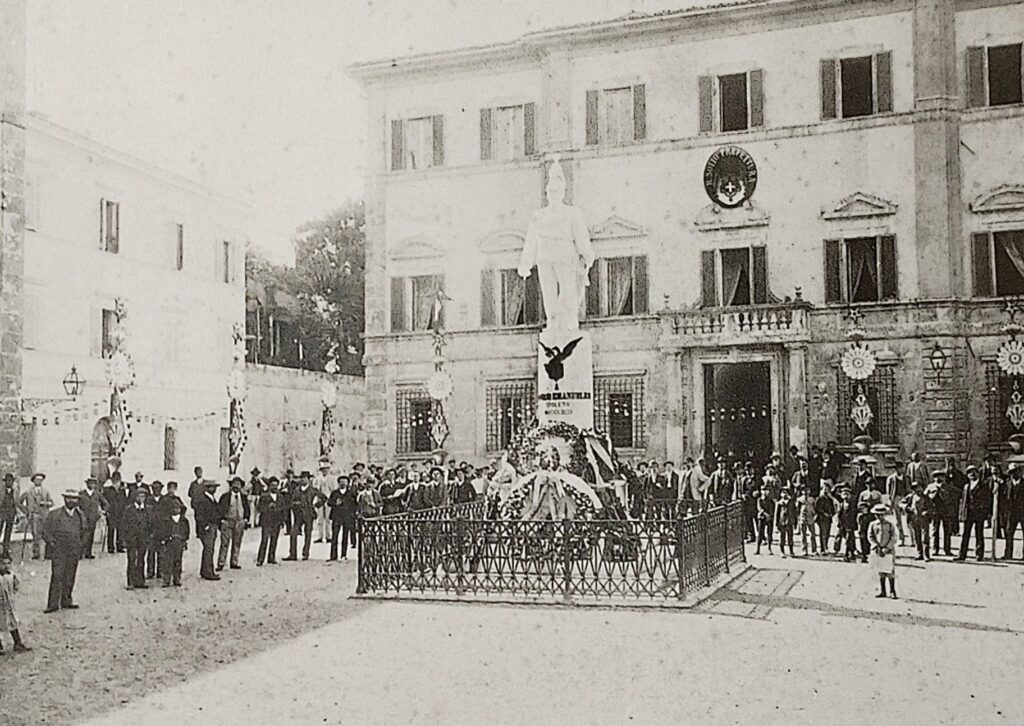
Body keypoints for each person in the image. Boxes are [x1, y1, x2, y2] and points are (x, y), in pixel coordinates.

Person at [42, 491, 85, 613]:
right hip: (59, 551)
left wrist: (81, 545)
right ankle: (53, 604)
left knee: (70, 575)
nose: (72, 501)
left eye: (74, 499)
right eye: (69, 498)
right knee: (57, 576)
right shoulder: (55, 514)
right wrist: (51, 542)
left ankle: (66, 600)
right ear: (64, 499)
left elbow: (85, 531)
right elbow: (45, 531)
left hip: (74, 550)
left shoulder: (80, 515)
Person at [956, 465, 992, 562]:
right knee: (965, 534)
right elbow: (963, 501)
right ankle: (962, 555)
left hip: (979, 513)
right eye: (969, 472)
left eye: (974, 472)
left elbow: (987, 500)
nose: (972, 474)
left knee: (979, 534)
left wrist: (984, 511)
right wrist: (962, 514)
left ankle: (979, 554)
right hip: (968, 514)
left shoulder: (983, 486)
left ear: (978, 473)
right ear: (967, 475)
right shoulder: (966, 486)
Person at [285, 474, 323, 561]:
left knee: (308, 534)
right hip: (298, 515)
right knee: (293, 533)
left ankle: (305, 553)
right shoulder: (296, 490)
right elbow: (291, 501)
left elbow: (324, 498)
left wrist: (316, 505)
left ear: (308, 480)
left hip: (309, 515)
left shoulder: (313, 490)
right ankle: (292, 554)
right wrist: (295, 504)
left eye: (304, 478)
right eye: (301, 478)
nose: (302, 480)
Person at [217, 477, 250, 571]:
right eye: (234, 484)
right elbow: (220, 509)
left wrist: (246, 520)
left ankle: (234, 562)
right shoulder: (225, 496)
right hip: (227, 521)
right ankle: (221, 563)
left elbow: (247, 509)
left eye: (238, 484)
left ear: (241, 486)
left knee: (237, 542)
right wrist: (222, 520)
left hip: (239, 522)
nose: (236, 486)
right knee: (224, 543)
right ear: (231, 485)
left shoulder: (243, 497)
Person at [154, 501, 189, 587]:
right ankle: (166, 580)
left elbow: (186, 531)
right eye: (174, 508)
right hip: (169, 542)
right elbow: (163, 531)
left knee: (178, 561)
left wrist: (184, 540)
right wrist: (164, 539)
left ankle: (177, 579)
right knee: (167, 562)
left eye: (178, 508)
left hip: (179, 542)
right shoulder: (166, 520)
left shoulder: (184, 520)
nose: (176, 510)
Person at [0, 555, 30, 653]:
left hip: (9, 604)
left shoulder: (11, 575)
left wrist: (12, 594)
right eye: (3, 564)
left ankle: (17, 643)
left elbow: (16, 586)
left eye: (8, 563)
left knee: (12, 621)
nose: (6, 566)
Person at [193, 480, 222, 581]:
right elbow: (199, 515)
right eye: (212, 487)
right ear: (207, 488)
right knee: (209, 549)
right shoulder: (203, 500)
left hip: (212, 526)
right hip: (207, 528)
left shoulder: (212, 498)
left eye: (215, 487)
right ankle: (208, 572)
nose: (214, 489)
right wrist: (204, 526)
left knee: (209, 549)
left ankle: (205, 570)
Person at [122, 488, 150, 589]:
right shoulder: (129, 510)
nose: (141, 498)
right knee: (131, 559)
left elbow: (150, 524)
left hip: (143, 538)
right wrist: (124, 540)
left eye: (143, 496)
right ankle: (130, 582)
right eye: (139, 496)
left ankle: (140, 581)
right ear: (135, 497)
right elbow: (124, 525)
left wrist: (149, 537)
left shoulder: (148, 509)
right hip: (132, 538)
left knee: (141, 559)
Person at [20, 474, 53, 560]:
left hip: (44, 515)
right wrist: (26, 510)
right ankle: (36, 553)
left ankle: (48, 554)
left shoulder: (46, 491)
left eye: (41, 480)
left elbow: (51, 502)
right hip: (34, 515)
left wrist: (46, 503)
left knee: (46, 533)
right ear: (33, 481)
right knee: (35, 535)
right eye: (37, 480)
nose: (39, 482)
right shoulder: (28, 491)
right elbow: (19, 502)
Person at [868, 503, 897, 598]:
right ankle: (883, 591)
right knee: (881, 571)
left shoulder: (889, 525)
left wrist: (887, 547)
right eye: (877, 515)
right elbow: (870, 536)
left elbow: (893, 537)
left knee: (890, 571)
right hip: (878, 550)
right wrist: (876, 546)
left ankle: (892, 590)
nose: (879, 517)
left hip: (887, 550)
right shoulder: (872, 524)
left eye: (881, 515)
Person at [256, 477, 286, 566]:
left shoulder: (280, 496)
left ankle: (271, 557)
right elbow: (259, 508)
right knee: (264, 540)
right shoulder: (264, 496)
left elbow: (283, 509)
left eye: (276, 485)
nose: (275, 487)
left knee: (274, 540)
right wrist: (267, 507)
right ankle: (260, 559)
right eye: (273, 485)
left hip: (276, 521)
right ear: (269, 486)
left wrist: (282, 520)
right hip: (267, 521)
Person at [327, 476, 357, 562]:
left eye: (345, 482)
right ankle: (333, 555)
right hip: (336, 517)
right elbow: (329, 502)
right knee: (334, 536)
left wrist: (353, 513)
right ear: (338, 483)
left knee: (345, 536)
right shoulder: (334, 493)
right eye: (341, 482)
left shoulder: (351, 493)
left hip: (347, 517)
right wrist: (335, 503)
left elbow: (355, 504)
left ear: (348, 483)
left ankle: (344, 555)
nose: (343, 483)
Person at [903, 481, 935, 561]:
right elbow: (901, 503)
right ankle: (919, 553)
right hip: (914, 518)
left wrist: (927, 512)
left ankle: (926, 554)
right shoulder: (910, 497)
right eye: (915, 487)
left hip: (924, 519)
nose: (918, 489)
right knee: (917, 536)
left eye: (919, 487)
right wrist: (908, 508)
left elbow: (932, 507)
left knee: (925, 537)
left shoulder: (926, 497)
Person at [77, 477, 104, 560]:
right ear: (87, 484)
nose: (92, 485)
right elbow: (77, 504)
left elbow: (106, 503)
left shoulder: (97, 494)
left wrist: (102, 512)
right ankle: (80, 553)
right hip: (83, 517)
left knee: (90, 536)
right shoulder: (82, 494)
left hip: (93, 518)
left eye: (93, 484)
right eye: (90, 483)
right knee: (82, 535)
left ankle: (88, 552)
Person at [857, 482, 883, 564]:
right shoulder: (863, 494)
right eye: (868, 484)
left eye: (871, 484)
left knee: (874, 535)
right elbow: (859, 504)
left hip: (873, 516)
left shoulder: (878, 494)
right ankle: (864, 554)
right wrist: (863, 508)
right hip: (865, 516)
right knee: (863, 536)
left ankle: (874, 554)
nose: (870, 486)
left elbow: (881, 505)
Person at [1002, 464, 1024, 560]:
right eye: (1011, 472)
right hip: (1011, 513)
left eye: (1015, 472)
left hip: (1023, 512)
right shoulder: (1007, 484)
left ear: (1019, 472)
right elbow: (1004, 498)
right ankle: (1008, 554)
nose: (1013, 474)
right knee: (1009, 533)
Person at [102, 472, 127, 554]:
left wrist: (124, 511)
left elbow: (124, 501)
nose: (117, 483)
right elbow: (104, 502)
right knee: (111, 530)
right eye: (115, 480)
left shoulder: (122, 491)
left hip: (120, 512)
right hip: (111, 513)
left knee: (120, 530)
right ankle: (110, 547)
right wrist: (105, 511)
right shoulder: (108, 490)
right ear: (112, 481)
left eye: (118, 480)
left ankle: (119, 546)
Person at [885, 461, 910, 546]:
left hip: (905, 498)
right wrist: (890, 501)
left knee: (909, 519)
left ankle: (912, 539)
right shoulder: (891, 478)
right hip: (896, 499)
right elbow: (889, 492)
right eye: (899, 468)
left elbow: (909, 489)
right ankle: (901, 538)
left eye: (902, 468)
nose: (901, 469)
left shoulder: (907, 478)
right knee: (898, 520)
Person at [144, 481, 164, 579]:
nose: (156, 490)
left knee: (161, 552)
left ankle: (160, 571)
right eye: (154, 488)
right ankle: (150, 571)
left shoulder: (165, 500)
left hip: (161, 530)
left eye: (158, 488)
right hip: (150, 529)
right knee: (151, 552)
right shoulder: (148, 500)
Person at [836, 486, 859, 562]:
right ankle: (851, 553)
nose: (845, 496)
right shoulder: (841, 504)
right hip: (843, 524)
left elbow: (854, 515)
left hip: (850, 524)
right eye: (844, 494)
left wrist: (854, 525)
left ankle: (847, 555)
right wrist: (839, 524)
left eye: (847, 494)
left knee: (849, 540)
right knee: (849, 539)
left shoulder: (852, 505)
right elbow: (839, 515)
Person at [0, 474, 20, 557]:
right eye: (7, 481)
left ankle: (5, 551)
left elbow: (17, 503)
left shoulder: (15, 491)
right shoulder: (1, 491)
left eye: (11, 481)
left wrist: (18, 514)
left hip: (11, 514)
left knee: (8, 533)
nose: (9, 482)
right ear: (5, 482)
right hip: (1, 514)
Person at [313, 459, 333, 543]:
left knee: (328, 519)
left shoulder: (332, 478)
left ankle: (329, 536)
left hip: (328, 499)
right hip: (320, 500)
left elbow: (333, 489)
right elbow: (315, 489)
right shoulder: (317, 479)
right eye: (323, 469)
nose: (324, 471)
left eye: (326, 469)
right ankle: (320, 536)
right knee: (320, 519)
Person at [795, 485, 817, 556]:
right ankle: (804, 550)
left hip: (810, 518)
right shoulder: (799, 499)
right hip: (803, 518)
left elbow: (815, 508)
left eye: (807, 490)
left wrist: (814, 515)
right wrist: (798, 518)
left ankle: (814, 550)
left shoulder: (812, 499)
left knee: (812, 534)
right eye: (804, 490)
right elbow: (797, 510)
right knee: (803, 535)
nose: (806, 492)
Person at [775, 488, 797, 558]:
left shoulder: (791, 502)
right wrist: (776, 523)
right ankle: (782, 551)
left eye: (786, 492)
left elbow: (794, 512)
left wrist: (795, 522)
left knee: (790, 537)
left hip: (790, 522)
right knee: (782, 537)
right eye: (783, 493)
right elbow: (777, 514)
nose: (784, 494)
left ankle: (791, 551)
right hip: (782, 522)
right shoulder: (779, 503)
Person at [815, 483, 836, 553]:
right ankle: (822, 548)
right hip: (821, 518)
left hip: (828, 519)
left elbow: (833, 508)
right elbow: (817, 508)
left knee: (827, 533)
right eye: (824, 489)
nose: (826, 491)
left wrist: (831, 514)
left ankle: (825, 546)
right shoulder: (819, 499)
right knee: (822, 533)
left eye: (827, 489)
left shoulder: (830, 499)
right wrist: (824, 513)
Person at [755, 484, 775, 555]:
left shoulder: (770, 500)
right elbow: (759, 508)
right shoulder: (759, 499)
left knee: (769, 534)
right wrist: (764, 514)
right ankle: (758, 549)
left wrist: (769, 516)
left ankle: (769, 548)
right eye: (763, 490)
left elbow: (772, 509)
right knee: (760, 533)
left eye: (766, 490)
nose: (764, 492)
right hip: (762, 518)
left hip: (769, 519)